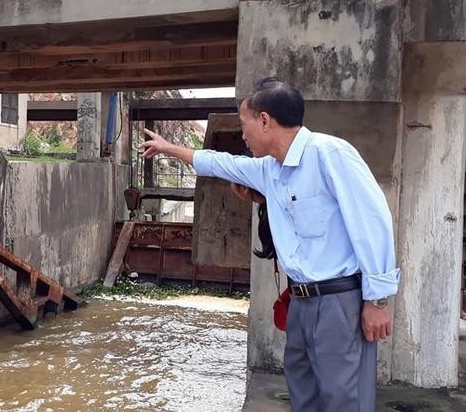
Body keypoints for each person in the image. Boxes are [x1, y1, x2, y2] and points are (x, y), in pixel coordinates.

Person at [139, 78, 400, 411]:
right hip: (301, 301)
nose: (243, 134)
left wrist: (377, 299)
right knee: (302, 391)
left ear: (264, 120)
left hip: (338, 301)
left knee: (343, 398)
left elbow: (372, 223)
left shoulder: (329, 154)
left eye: (244, 124)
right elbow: (221, 163)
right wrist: (170, 148)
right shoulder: (270, 170)